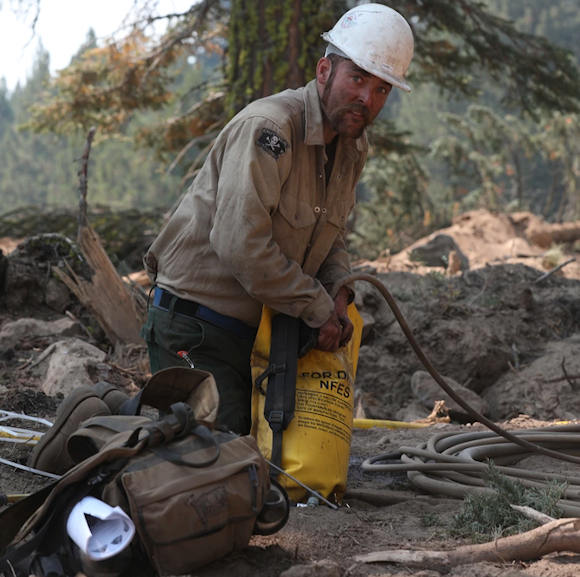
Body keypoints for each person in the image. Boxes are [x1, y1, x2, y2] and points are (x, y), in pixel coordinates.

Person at [142, 3, 414, 435]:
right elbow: (240, 244)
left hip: (259, 334)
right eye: (357, 79)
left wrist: (338, 292)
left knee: (279, 462)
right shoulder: (270, 129)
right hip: (196, 327)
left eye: (382, 89)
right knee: (217, 461)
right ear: (325, 71)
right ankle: (119, 420)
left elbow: (332, 235)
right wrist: (316, 306)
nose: (366, 98)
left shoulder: (350, 145)